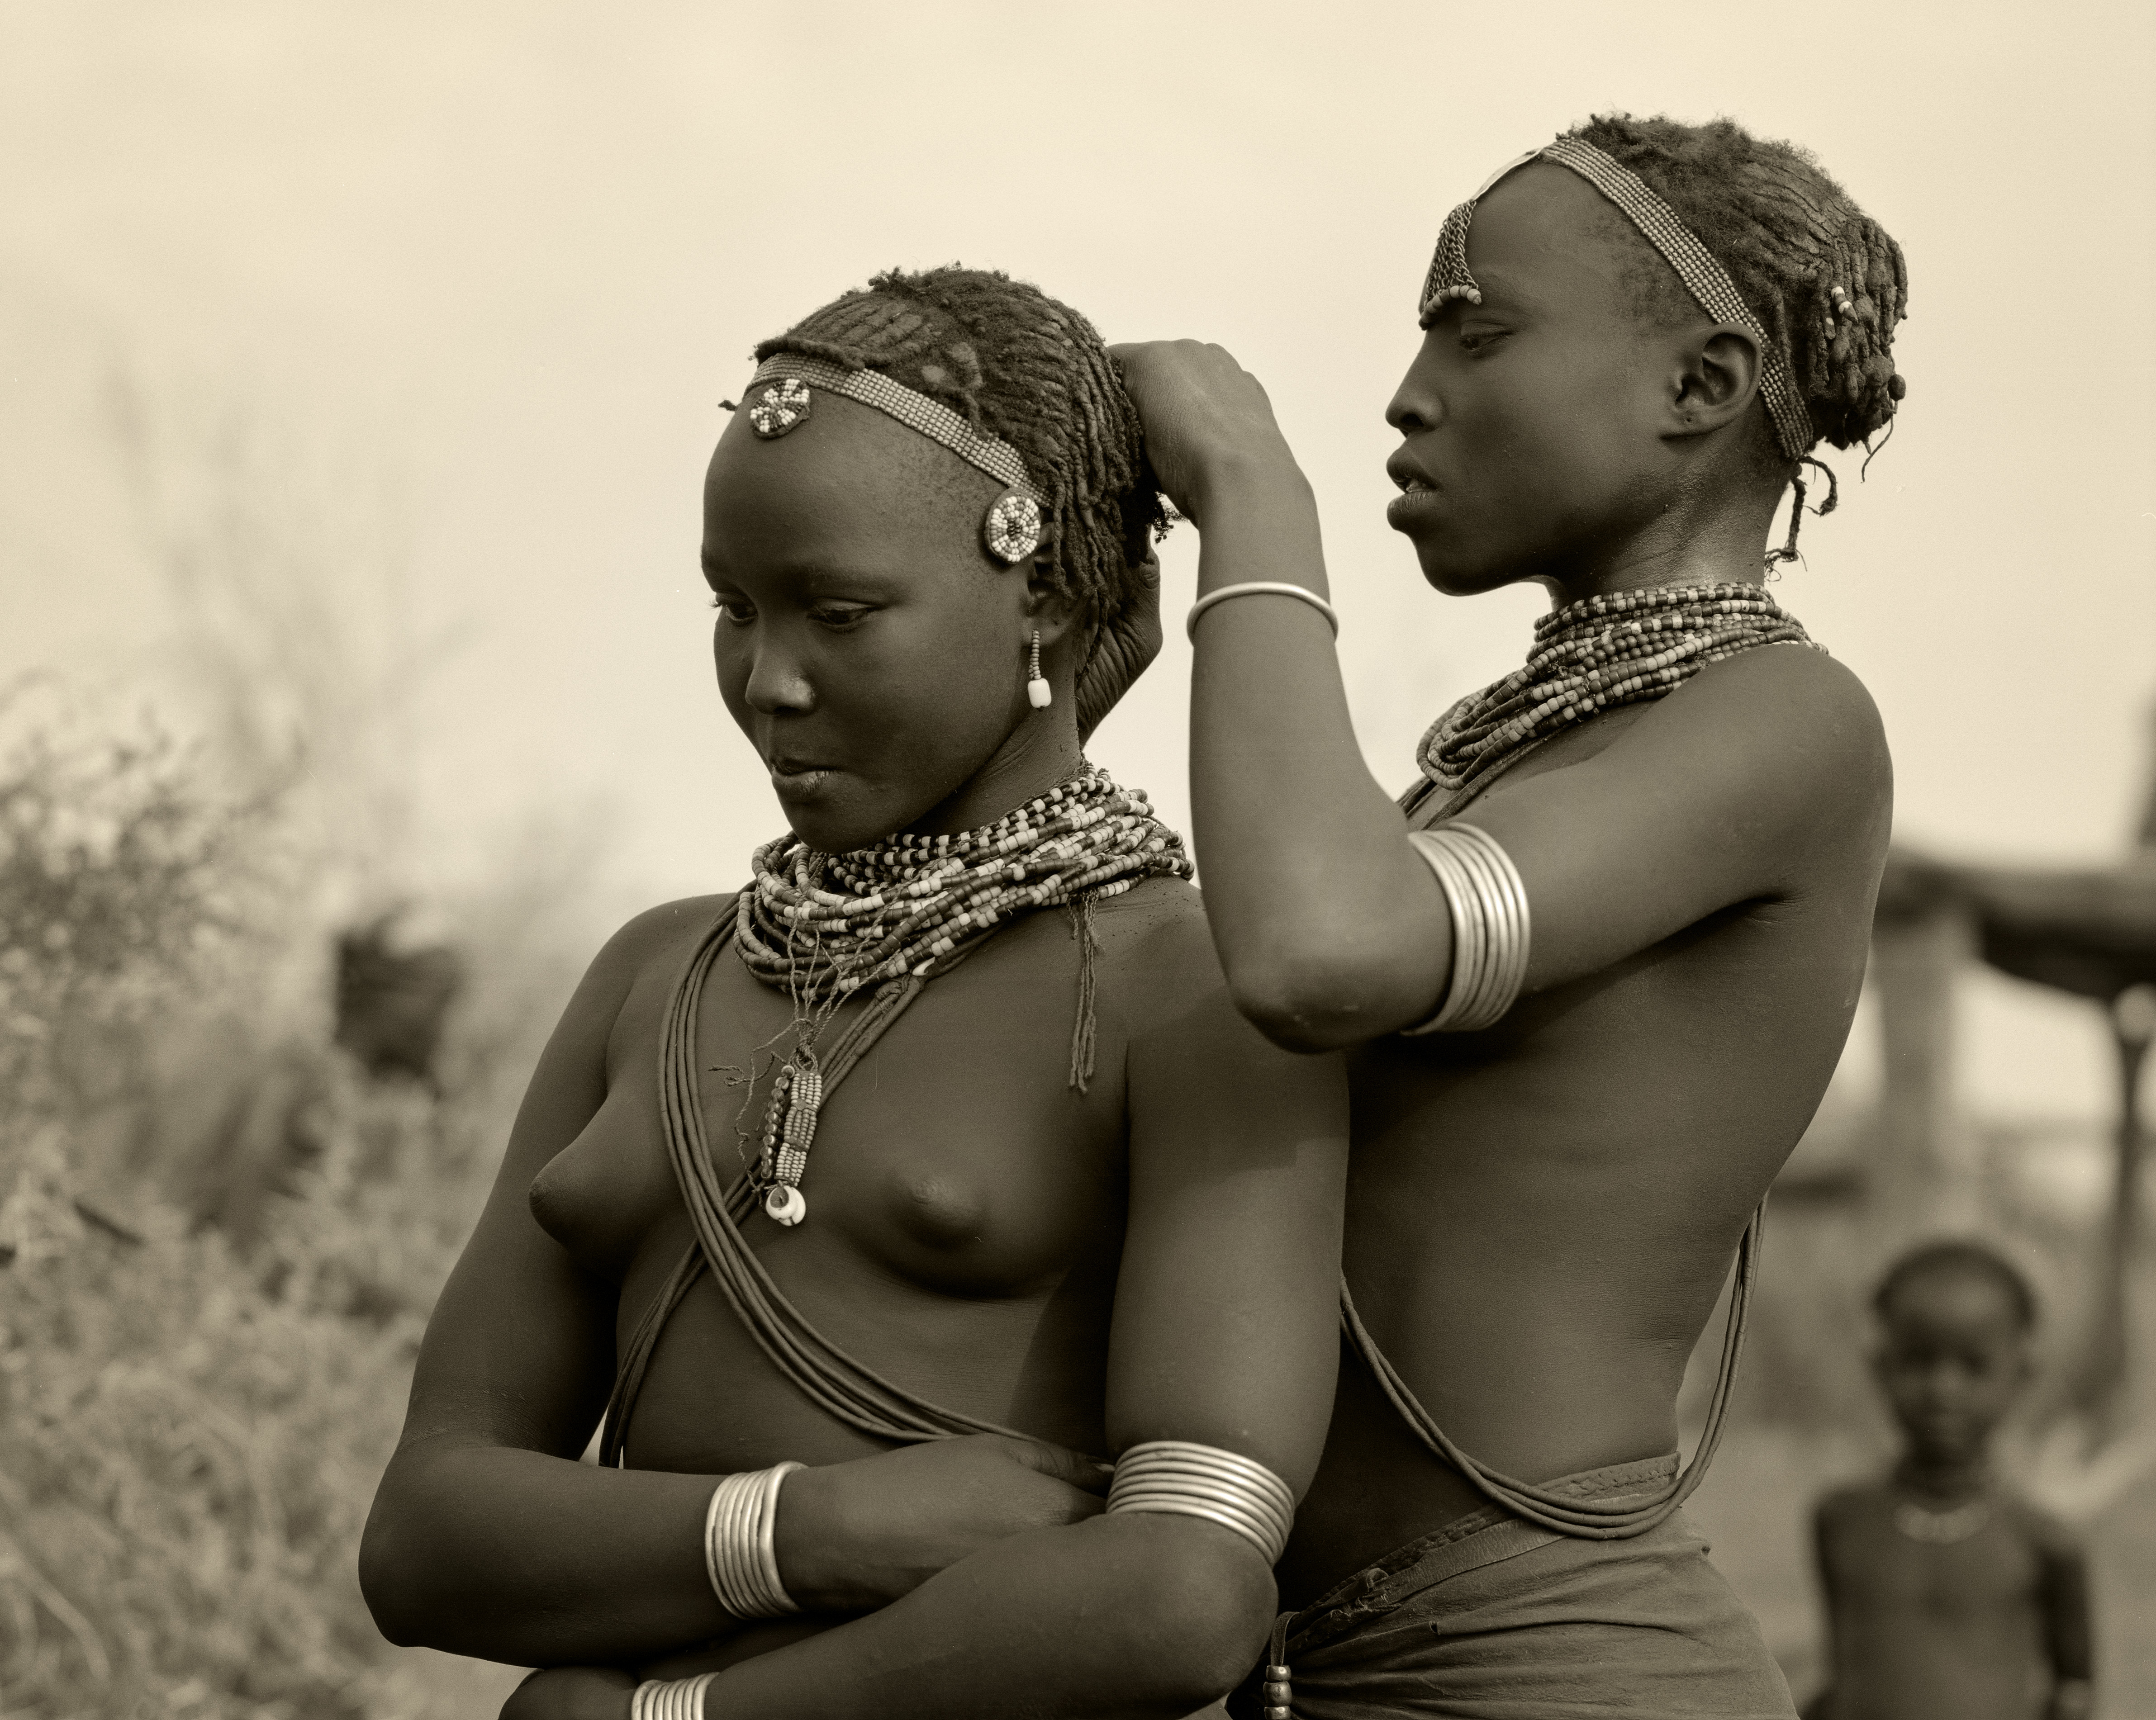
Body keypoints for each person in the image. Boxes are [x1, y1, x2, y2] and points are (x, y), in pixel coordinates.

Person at [357, 267, 1349, 1720]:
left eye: (838, 610)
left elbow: (1183, 1592)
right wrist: (810, 1530)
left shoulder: (1183, 986)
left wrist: (664, 1717)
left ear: (1050, 599)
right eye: (732, 607)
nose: (768, 679)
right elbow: (424, 1541)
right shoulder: (655, 972)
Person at [1114, 113, 1904, 1715]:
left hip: (1554, 1665)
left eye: (1475, 331)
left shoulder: (1786, 724)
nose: (1409, 392)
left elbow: (1317, 949)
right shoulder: (1507, 765)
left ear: (1698, 385)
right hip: (1317, 1666)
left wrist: (1251, 497)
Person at [1806, 1241, 2094, 1720]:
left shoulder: (2044, 1539)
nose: (1943, 1388)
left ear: (2021, 1374)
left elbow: (2075, 1693)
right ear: (1879, 1366)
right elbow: (1841, 1672)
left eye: (1973, 1365)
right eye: (1918, 1361)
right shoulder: (1840, 1520)